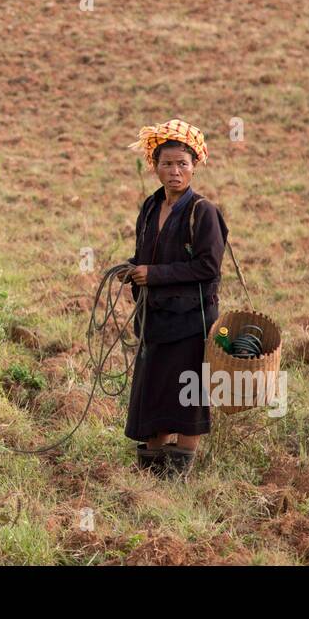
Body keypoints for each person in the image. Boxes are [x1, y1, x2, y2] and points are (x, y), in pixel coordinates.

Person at [122, 119, 227, 478]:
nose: (174, 171)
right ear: (154, 166)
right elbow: (145, 256)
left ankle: (177, 476)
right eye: (166, 163)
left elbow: (208, 268)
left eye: (182, 163)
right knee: (153, 396)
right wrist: (132, 269)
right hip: (154, 321)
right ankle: (151, 476)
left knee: (187, 399)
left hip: (191, 322)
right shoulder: (150, 208)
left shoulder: (203, 212)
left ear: (194, 166)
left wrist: (154, 275)